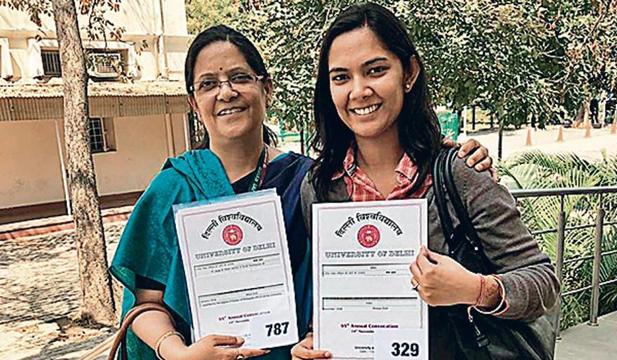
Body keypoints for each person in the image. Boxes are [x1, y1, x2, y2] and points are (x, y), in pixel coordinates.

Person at [109, 25, 494, 360]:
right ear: (194, 103)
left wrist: (450, 154)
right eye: (208, 84)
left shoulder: (308, 180)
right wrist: (179, 354)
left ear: (267, 88)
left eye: (240, 78)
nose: (225, 93)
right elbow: (146, 304)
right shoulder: (175, 186)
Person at [294, 3, 560, 360]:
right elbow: (338, 298)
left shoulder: (459, 173)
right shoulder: (321, 187)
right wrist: (317, 341)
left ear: (409, 72)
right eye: (341, 77)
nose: (358, 91)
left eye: (375, 70)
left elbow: (543, 282)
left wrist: (477, 289)